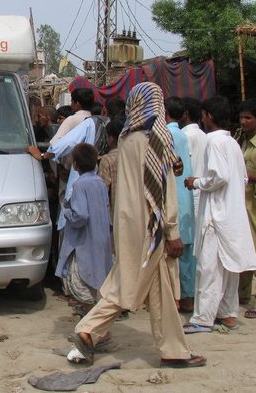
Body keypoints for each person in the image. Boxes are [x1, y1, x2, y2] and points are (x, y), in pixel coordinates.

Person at [70, 82, 205, 369]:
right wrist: (172, 230)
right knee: (127, 283)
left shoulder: (126, 138)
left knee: (160, 289)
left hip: (126, 223)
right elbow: (162, 188)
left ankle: (174, 350)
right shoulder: (157, 137)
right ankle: (88, 329)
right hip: (151, 224)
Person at [183, 96, 256, 332]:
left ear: (209, 116)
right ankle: (227, 314)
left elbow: (219, 176)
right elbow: (240, 177)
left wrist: (196, 182)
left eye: (204, 115)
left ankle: (203, 318)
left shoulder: (215, 142)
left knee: (209, 267)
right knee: (227, 268)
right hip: (231, 213)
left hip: (216, 214)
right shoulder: (233, 143)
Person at [55, 143, 112, 314]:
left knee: (83, 284)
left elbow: (81, 216)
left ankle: (91, 329)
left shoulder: (79, 185)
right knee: (97, 282)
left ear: (75, 165)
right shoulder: (100, 183)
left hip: (84, 242)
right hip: (101, 240)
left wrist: (66, 211)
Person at [165, 96, 196, 313]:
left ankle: (181, 297)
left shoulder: (167, 135)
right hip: (184, 197)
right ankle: (186, 296)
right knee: (185, 250)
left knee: (177, 252)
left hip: (174, 196)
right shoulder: (181, 135)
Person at [237, 99, 256, 318]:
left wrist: (255, 177)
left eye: (248, 118)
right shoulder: (241, 139)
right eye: (242, 117)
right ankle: (242, 293)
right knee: (243, 250)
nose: (243, 121)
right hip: (243, 203)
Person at [180, 98, 207, 220]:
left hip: (190, 194)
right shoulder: (204, 135)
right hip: (204, 193)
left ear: (185, 114)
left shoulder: (183, 137)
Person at [97, 117, 123, 221]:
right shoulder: (135, 154)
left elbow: (102, 191)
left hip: (115, 216)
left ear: (111, 138)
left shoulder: (107, 160)